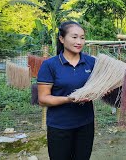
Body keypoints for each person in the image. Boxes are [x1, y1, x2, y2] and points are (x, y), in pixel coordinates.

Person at [37, 21, 95, 160]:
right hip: (59, 126)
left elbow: (99, 85)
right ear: (62, 39)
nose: (79, 41)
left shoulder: (91, 62)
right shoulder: (50, 65)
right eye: (74, 37)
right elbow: (43, 99)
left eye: (82, 37)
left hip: (85, 124)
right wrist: (70, 99)